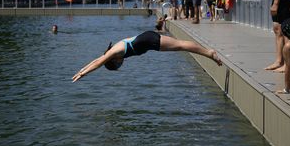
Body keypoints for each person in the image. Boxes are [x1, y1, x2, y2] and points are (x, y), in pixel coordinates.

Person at [72, 31, 223, 82]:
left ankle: (209, 53)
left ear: (115, 61)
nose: (121, 65)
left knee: (181, 45)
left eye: (118, 66)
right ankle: (208, 53)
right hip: (148, 40)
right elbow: (96, 60)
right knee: (180, 46)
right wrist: (81, 70)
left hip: (149, 40)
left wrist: (84, 74)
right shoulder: (111, 53)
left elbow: (98, 63)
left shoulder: (114, 53)